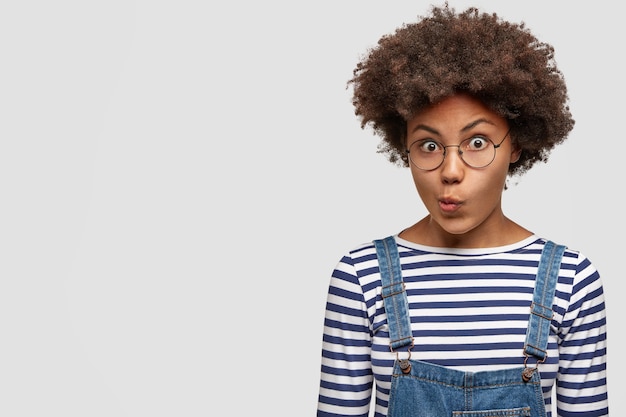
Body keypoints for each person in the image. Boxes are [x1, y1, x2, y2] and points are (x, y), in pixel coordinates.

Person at [316, 4, 608, 417]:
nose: (450, 172)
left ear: (517, 144)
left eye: (477, 143)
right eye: (430, 146)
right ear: (405, 148)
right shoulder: (360, 278)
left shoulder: (571, 279)